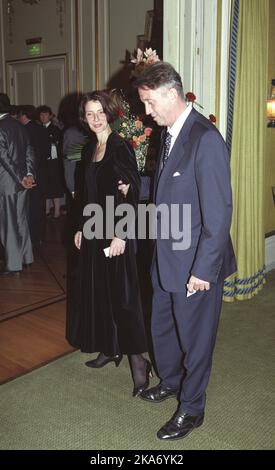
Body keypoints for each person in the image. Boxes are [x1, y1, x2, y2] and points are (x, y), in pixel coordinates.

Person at [133, 62, 237, 440]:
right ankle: (172, 382)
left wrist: (203, 271)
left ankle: (192, 409)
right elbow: (171, 191)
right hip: (167, 259)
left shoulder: (205, 138)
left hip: (195, 265)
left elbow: (219, 213)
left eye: (149, 102)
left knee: (195, 339)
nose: (147, 111)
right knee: (163, 329)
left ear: (171, 95)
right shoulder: (171, 133)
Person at [66, 91, 152, 397]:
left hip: (115, 233)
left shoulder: (119, 147)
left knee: (123, 299)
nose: (95, 118)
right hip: (93, 231)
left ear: (109, 113)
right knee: (99, 294)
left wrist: (121, 234)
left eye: (100, 112)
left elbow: (133, 193)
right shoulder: (92, 147)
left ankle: (139, 362)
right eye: (89, 113)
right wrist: (80, 228)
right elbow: (86, 194)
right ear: (84, 118)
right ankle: (109, 347)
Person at [0, 94, 36, 275]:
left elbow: (4, 158)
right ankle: (26, 257)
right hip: (23, 183)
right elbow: (29, 150)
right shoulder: (20, 126)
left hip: (7, 184)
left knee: (8, 224)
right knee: (21, 220)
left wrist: (20, 177)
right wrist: (28, 175)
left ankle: (13, 264)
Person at [17, 105, 48, 245]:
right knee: (39, 205)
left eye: (20, 115)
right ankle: (40, 235)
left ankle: (31, 236)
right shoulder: (41, 128)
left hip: (29, 174)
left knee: (29, 206)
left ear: (24, 115)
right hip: (42, 172)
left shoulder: (23, 130)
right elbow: (47, 151)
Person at [37, 105, 64, 219]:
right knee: (45, 186)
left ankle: (57, 210)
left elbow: (57, 146)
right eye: (41, 115)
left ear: (50, 116)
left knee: (55, 186)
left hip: (53, 163)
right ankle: (47, 210)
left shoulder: (55, 129)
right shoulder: (38, 129)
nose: (43, 117)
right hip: (43, 163)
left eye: (45, 115)